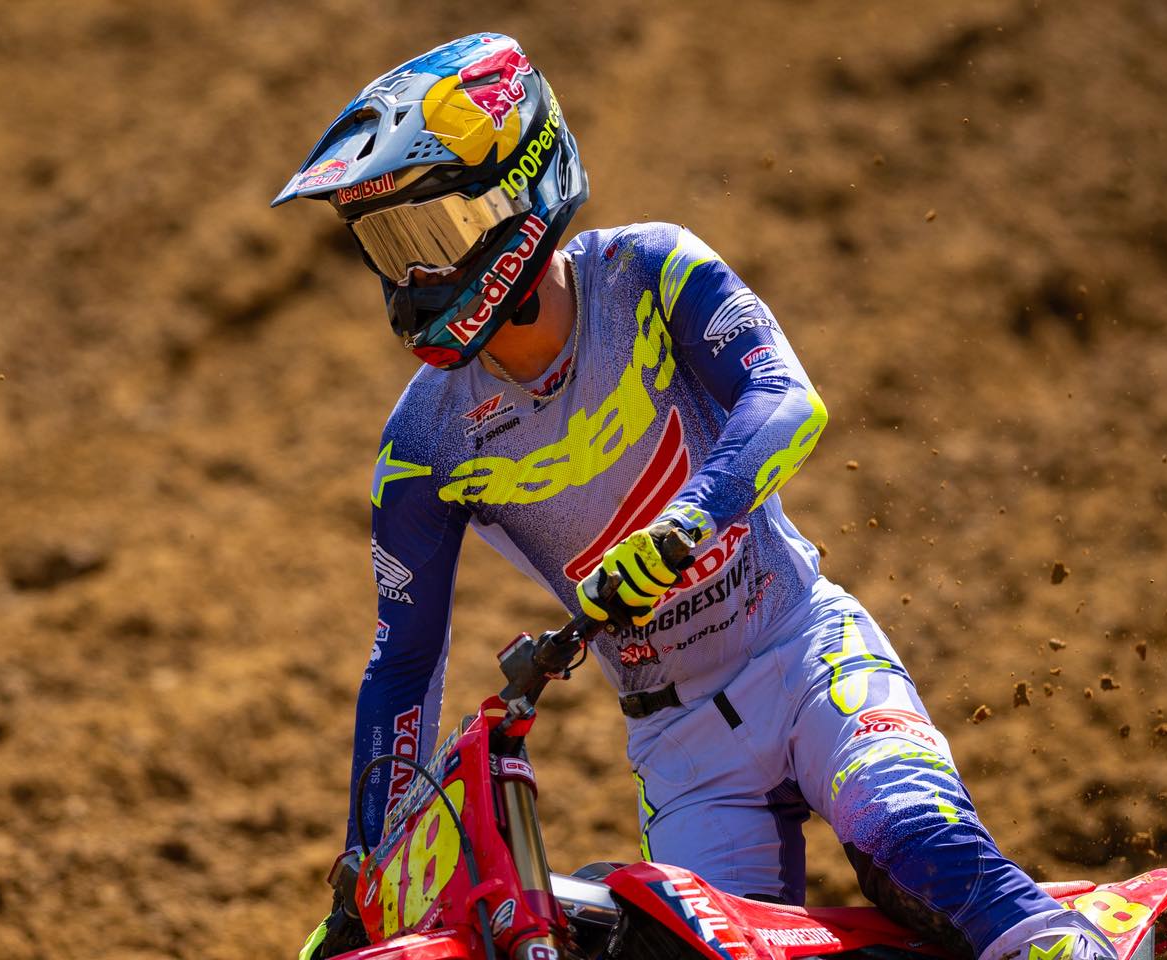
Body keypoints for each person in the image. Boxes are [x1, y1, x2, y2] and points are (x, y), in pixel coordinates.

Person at [272, 33, 1117, 960]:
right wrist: (365, 869)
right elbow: (404, 664)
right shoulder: (422, 442)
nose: (414, 278)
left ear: (521, 189)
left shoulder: (647, 269)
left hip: (805, 654)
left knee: (916, 849)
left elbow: (786, 399)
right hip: (678, 742)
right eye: (391, 249)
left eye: (433, 236)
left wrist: (685, 523)